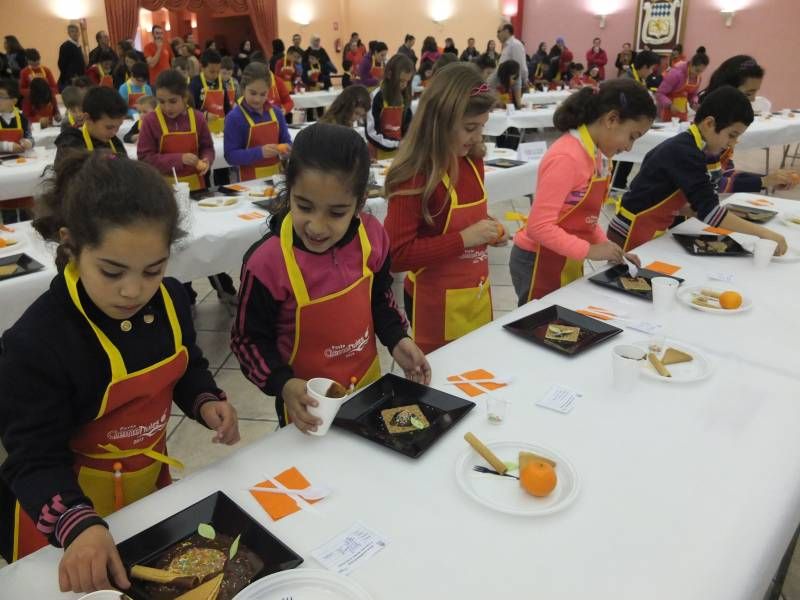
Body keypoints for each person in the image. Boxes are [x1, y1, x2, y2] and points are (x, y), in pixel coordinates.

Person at [0, 152, 239, 580]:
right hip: (66, 517)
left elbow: (185, 365)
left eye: (154, 269)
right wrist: (78, 526)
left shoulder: (169, 299)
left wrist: (204, 400)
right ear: (71, 244)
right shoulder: (38, 341)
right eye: (112, 271)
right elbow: (32, 459)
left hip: (147, 490)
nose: (134, 290)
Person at [230, 123, 430, 431]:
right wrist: (283, 384)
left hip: (368, 385)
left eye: (336, 213)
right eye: (304, 206)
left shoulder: (373, 236)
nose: (317, 227)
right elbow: (247, 341)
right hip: (307, 404)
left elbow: (379, 298)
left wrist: (397, 337)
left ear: (360, 204)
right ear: (290, 191)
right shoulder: (267, 263)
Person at [384, 63, 504, 353]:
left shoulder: (472, 160)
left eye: (482, 127)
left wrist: (489, 227)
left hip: (476, 294)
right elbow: (395, 256)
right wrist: (465, 239)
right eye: (469, 128)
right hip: (434, 303)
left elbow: (462, 218)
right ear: (439, 121)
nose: (477, 137)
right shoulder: (415, 174)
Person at [510, 79, 655, 304]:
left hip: (563, 255)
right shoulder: (567, 157)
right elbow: (538, 227)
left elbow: (584, 217)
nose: (629, 148)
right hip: (536, 259)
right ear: (611, 119)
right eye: (632, 136)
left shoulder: (594, 154)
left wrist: (611, 249)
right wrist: (590, 250)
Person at [608, 86, 788, 255]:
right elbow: (709, 212)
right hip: (632, 231)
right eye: (732, 135)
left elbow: (679, 199)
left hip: (649, 226)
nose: (732, 143)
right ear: (709, 123)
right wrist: (764, 234)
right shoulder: (685, 152)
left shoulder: (694, 146)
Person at [138, 69, 238, 305]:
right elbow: (144, 158)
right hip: (164, 194)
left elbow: (208, 147)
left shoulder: (198, 118)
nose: (167, 107)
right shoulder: (152, 121)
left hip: (199, 190)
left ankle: (225, 288)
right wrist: (178, 159)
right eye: (161, 102)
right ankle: (185, 296)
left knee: (207, 241)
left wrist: (206, 161)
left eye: (173, 101)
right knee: (181, 248)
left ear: (184, 97)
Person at [223, 62, 291, 182]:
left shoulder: (276, 113)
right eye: (253, 93)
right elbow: (230, 156)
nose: (257, 99)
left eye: (263, 94)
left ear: (268, 92)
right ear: (243, 89)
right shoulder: (234, 118)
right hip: (249, 184)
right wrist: (260, 152)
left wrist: (287, 149)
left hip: (277, 179)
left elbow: (286, 141)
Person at [54, 86, 128, 162]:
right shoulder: (70, 143)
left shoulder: (113, 141)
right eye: (109, 127)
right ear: (88, 118)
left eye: (118, 126)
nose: (114, 133)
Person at [366, 53, 414, 159]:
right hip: (378, 153)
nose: (404, 85)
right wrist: (396, 144)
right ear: (389, 74)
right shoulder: (377, 96)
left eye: (407, 81)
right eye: (401, 81)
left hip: (398, 153)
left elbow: (407, 124)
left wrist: (408, 140)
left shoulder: (404, 96)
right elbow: (371, 132)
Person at [656, 46, 709, 122]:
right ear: (690, 64)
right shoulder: (675, 73)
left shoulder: (698, 78)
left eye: (701, 71)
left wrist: (694, 103)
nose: (698, 74)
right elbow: (660, 93)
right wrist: (670, 105)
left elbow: (693, 94)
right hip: (667, 111)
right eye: (697, 70)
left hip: (682, 113)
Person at [189, 49, 232, 135]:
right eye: (212, 72)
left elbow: (227, 107)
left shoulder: (221, 83)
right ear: (202, 68)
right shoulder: (195, 84)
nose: (216, 75)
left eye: (218, 71)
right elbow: (189, 108)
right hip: (201, 129)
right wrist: (205, 115)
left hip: (221, 130)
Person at [0, 78, 34, 154]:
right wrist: (8, 146)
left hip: (17, 160)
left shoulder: (23, 118)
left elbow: (30, 137)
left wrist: (28, 143)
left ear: (14, 101)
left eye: (1, 97)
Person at [496, 23, 528, 94]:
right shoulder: (507, 46)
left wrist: (525, 81)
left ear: (506, 31)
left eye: (499, 32)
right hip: (505, 85)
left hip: (514, 87)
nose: (497, 35)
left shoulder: (515, 45)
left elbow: (521, 66)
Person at [58, 24, 87, 91]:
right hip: (71, 79)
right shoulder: (65, 46)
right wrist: (71, 76)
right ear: (69, 33)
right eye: (72, 31)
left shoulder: (78, 46)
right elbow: (62, 64)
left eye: (76, 31)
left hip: (80, 77)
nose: (75, 33)